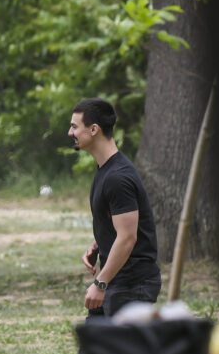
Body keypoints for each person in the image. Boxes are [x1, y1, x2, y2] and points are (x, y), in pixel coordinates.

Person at [68, 97, 161, 316]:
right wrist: (100, 242)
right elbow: (120, 224)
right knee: (93, 350)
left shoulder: (118, 178)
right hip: (117, 281)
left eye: (74, 126)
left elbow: (128, 237)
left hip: (131, 286)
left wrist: (100, 283)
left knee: (124, 350)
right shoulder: (106, 170)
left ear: (93, 129)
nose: (69, 133)